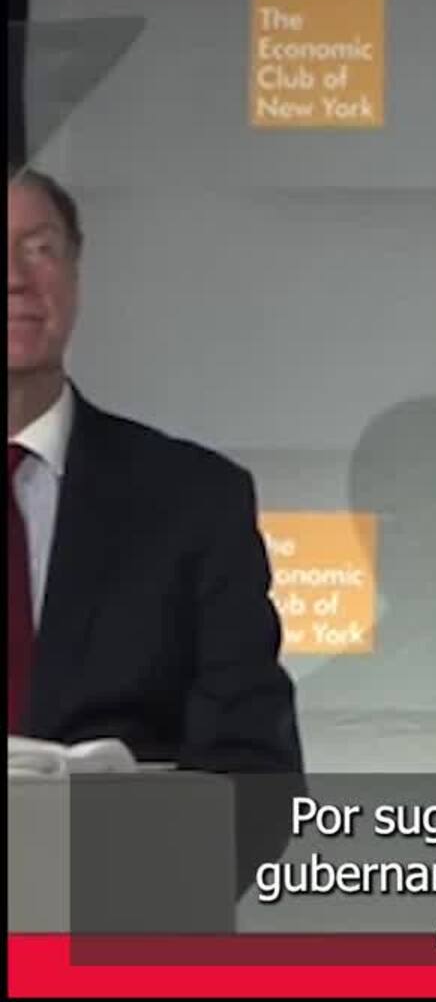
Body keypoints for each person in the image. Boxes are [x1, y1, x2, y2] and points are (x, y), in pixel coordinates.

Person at [8, 168, 304, 780]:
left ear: (75, 275)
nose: (15, 278)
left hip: (118, 845)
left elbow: (254, 770)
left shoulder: (195, 502)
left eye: (40, 250)